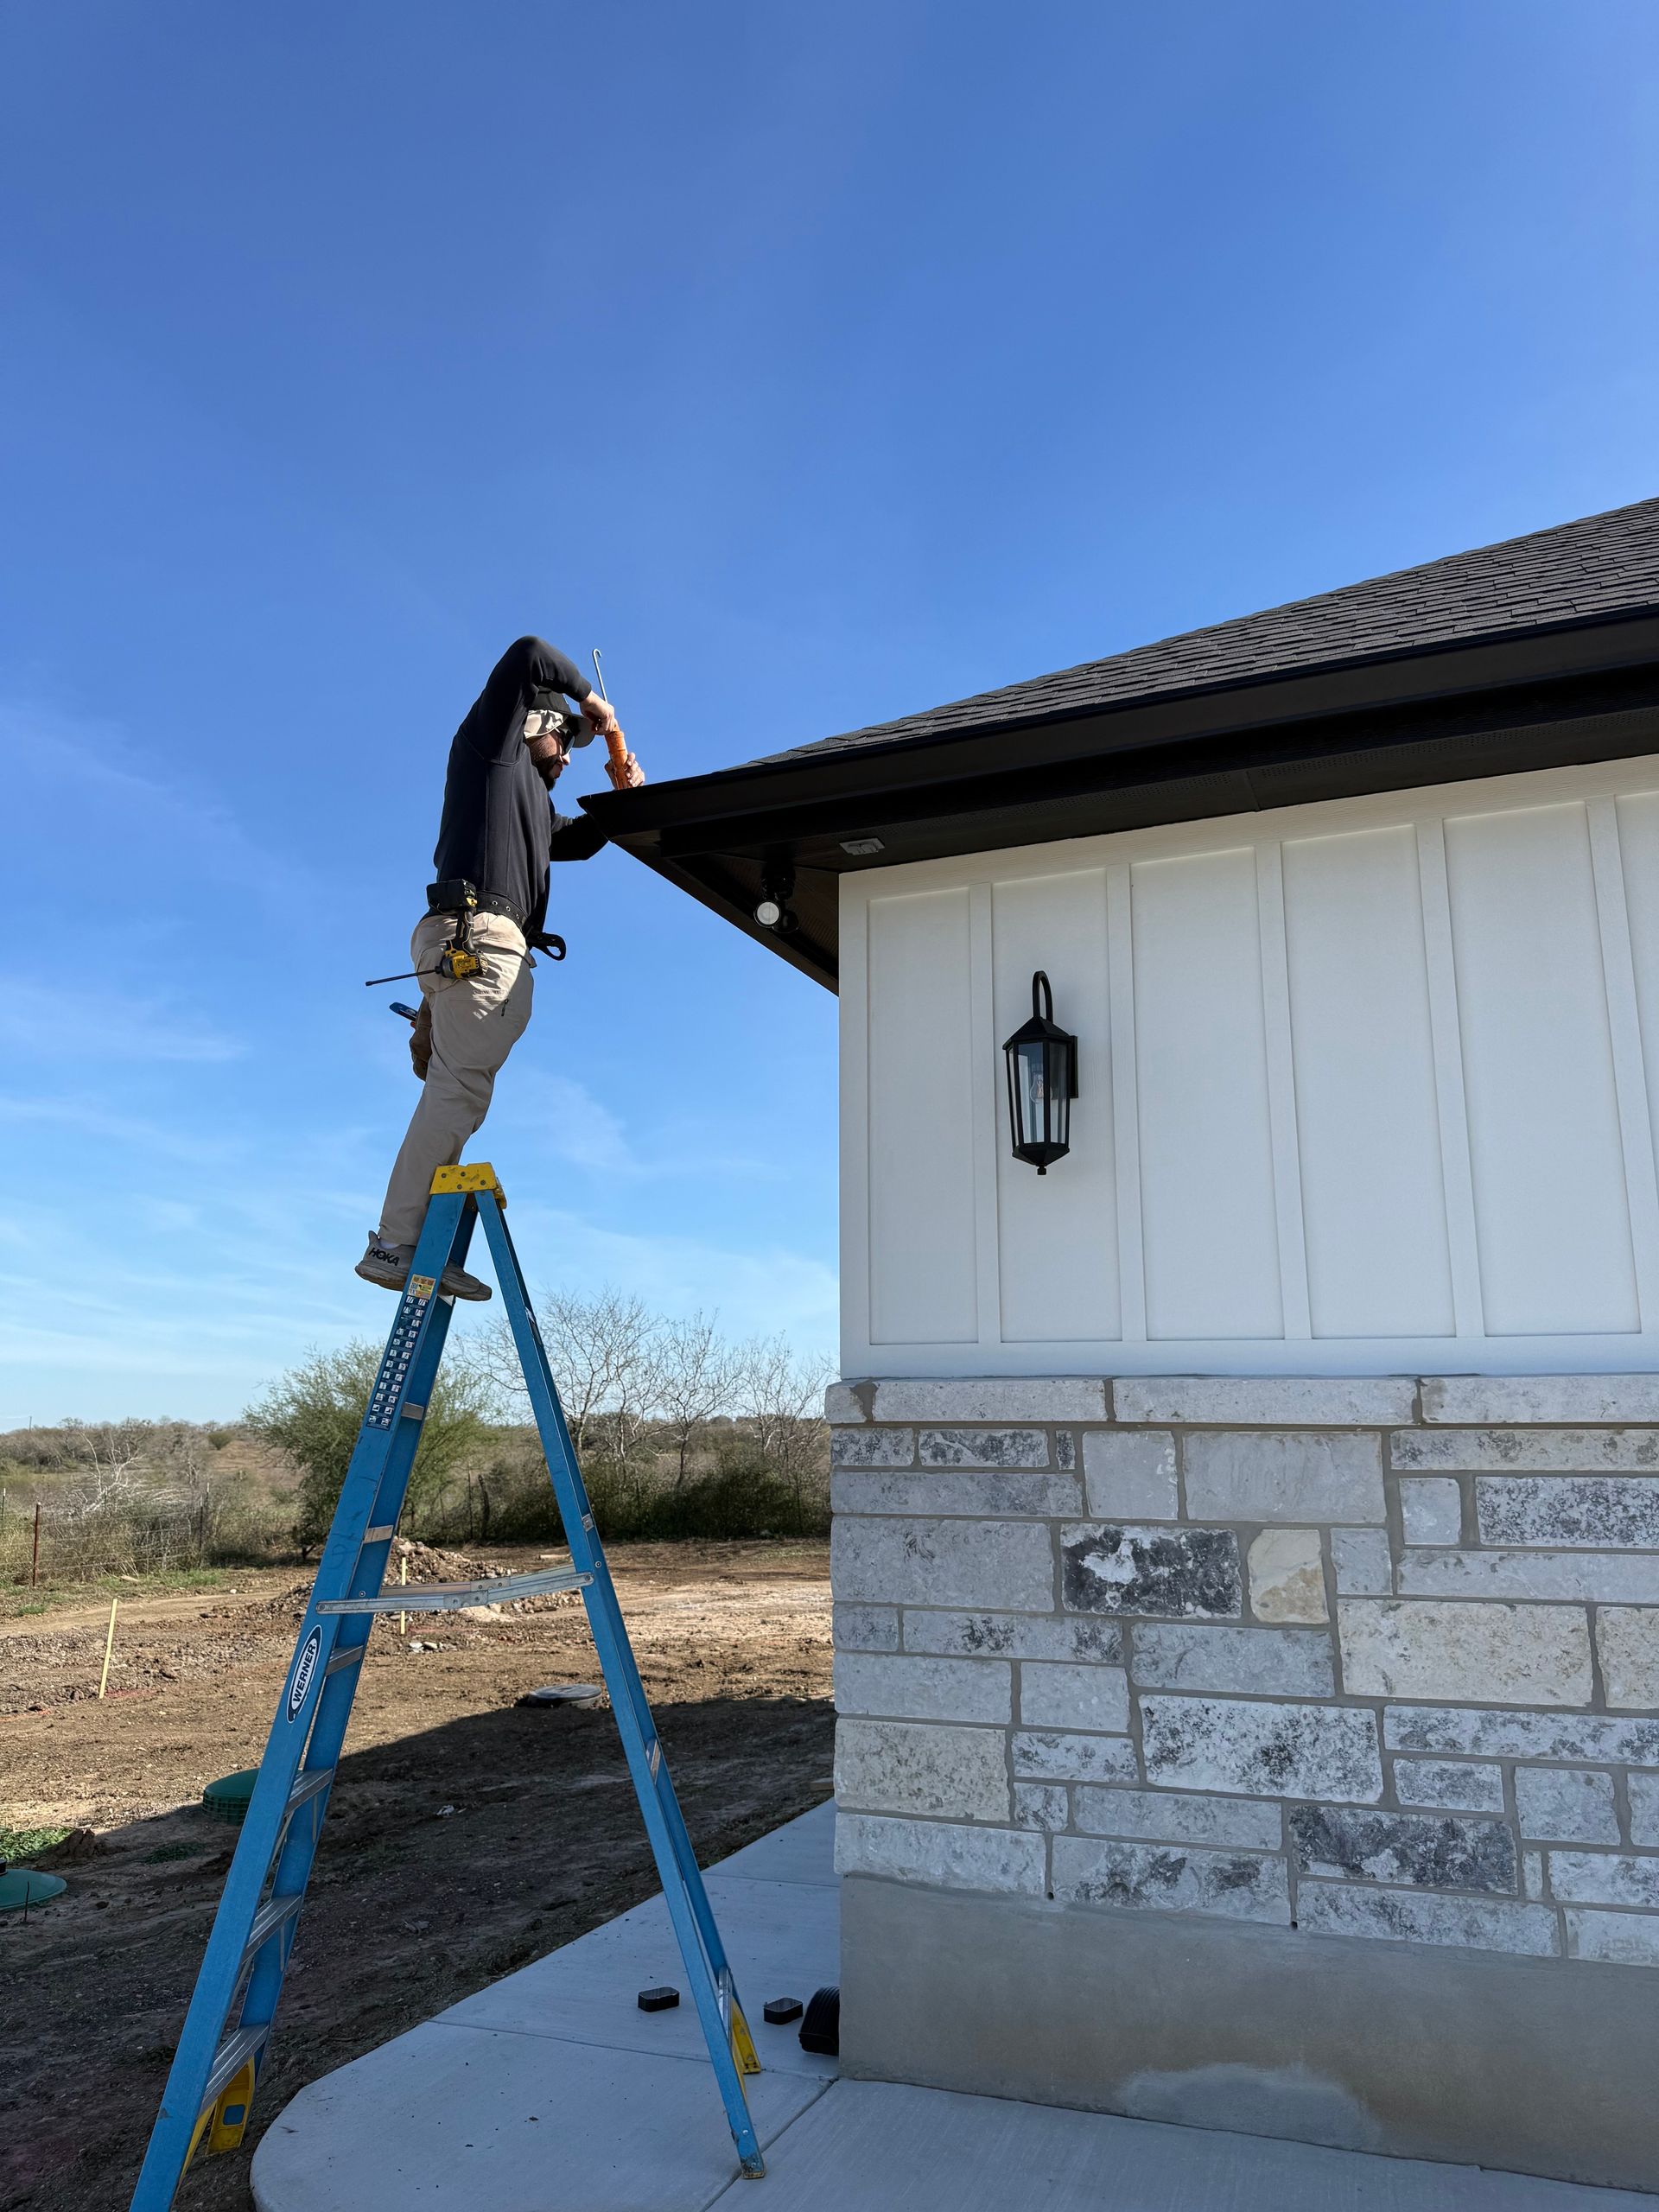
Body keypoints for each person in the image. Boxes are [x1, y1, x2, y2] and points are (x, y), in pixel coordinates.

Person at [357, 636, 644, 1300]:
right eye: (564, 740)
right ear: (535, 724)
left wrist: (625, 801)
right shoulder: (493, 746)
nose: (571, 755)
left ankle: (415, 1236)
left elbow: (582, 842)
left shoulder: (533, 805)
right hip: (478, 938)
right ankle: (398, 1244)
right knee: (457, 1092)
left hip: (470, 942)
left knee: (458, 1091)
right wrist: (590, 699)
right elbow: (528, 654)